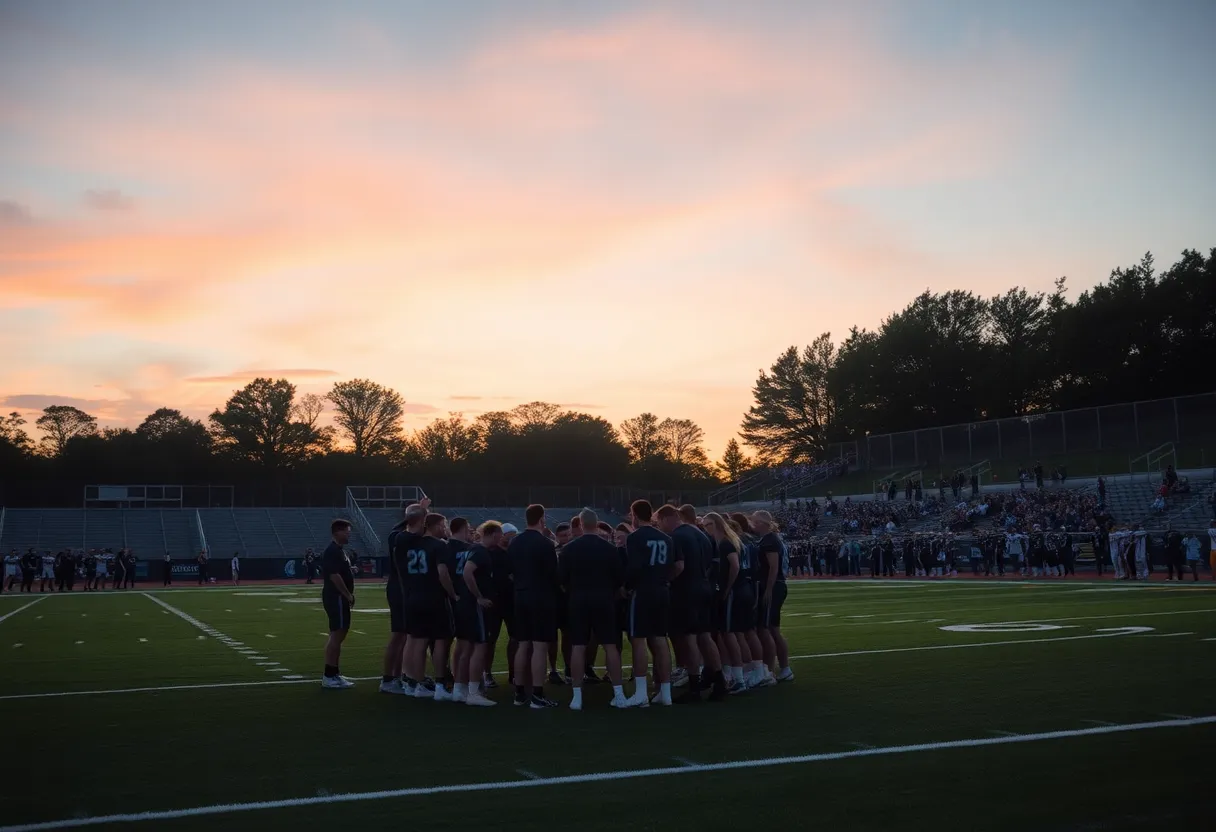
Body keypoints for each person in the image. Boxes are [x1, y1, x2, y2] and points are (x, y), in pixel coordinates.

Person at [557, 508, 628, 710]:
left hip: (578, 600)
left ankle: (577, 696)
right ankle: (619, 693)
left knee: (578, 646)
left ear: (579, 524)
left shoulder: (569, 549)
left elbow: (561, 579)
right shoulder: (609, 548)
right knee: (610, 646)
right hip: (604, 600)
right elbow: (619, 580)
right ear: (596, 524)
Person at [664, 504, 727, 702]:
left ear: (672, 518)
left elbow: (678, 566)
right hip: (704, 587)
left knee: (689, 638)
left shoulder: (678, 536)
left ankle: (694, 686)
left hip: (686, 590)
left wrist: (667, 579)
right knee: (705, 636)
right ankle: (719, 681)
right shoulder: (703, 535)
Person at [399, 512, 458, 699]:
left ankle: (418, 684)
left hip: (413, 597)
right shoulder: (439, 545)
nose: (444, 528)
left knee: (418, 641)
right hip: (434, 598)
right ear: (433, 525)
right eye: (443, 524)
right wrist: (453, 594)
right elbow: (442, 573)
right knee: (441, 641)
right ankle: (440, 685)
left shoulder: (410, 544)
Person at [507, 505, 560, 709]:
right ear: (542, 518)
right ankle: (537, 694)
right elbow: (553, 575)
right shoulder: (545, 543)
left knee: (523, 644)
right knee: (539, 646)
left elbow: (510, 572)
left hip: (520, 596)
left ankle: (519, 693)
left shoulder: (514, 543)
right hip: (541, 597)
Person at [623, 500, 674, 707]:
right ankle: (665, 692)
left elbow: (634, 567)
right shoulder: (666, 538)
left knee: (638, 640)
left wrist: (626, 586)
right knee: (661, 640)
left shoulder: (635, 537)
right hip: (662, 589)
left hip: (643, 591)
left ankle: (642, 692)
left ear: (634, 514)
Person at [381, 501, 428, 695]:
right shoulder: (406, 538)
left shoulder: (398, 535)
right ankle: (390, 678)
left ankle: (397, 676)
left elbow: (400, 527)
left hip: (401, 588)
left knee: (403, 636)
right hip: (401, 589)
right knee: (400, 635)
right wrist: (421, 512)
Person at [456, 521, 504, 707]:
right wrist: (479, 597)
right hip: (475, 606)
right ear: (493, 534)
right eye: (499, 536)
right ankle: (473, 692)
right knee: (480, 647)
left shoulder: (472, 549)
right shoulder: (480, 551)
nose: (500, 540)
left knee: (467, 648)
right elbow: (468, 572)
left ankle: (461, 690)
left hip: (467, 605)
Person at [752, 510, 793, 683]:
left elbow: (773, 567)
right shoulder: (769, 539)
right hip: (775, 585)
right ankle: (783, 668)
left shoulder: (769, 540)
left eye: (755, 522)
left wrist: (768, 589)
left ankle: (771, 670)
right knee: (771, 628)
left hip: (774, 586)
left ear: (761, 523)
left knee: (769, 628)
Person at [321, 519, 356, 689]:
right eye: (347, 531)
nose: (349, 534)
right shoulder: (333, 551)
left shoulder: (339, 551)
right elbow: (334, 576)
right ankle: (329, 675)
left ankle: (334, 672)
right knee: (336, 635)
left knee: (338, 635)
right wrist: (347, 594)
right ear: (338, 532)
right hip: (336, 597)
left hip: (338, 597)